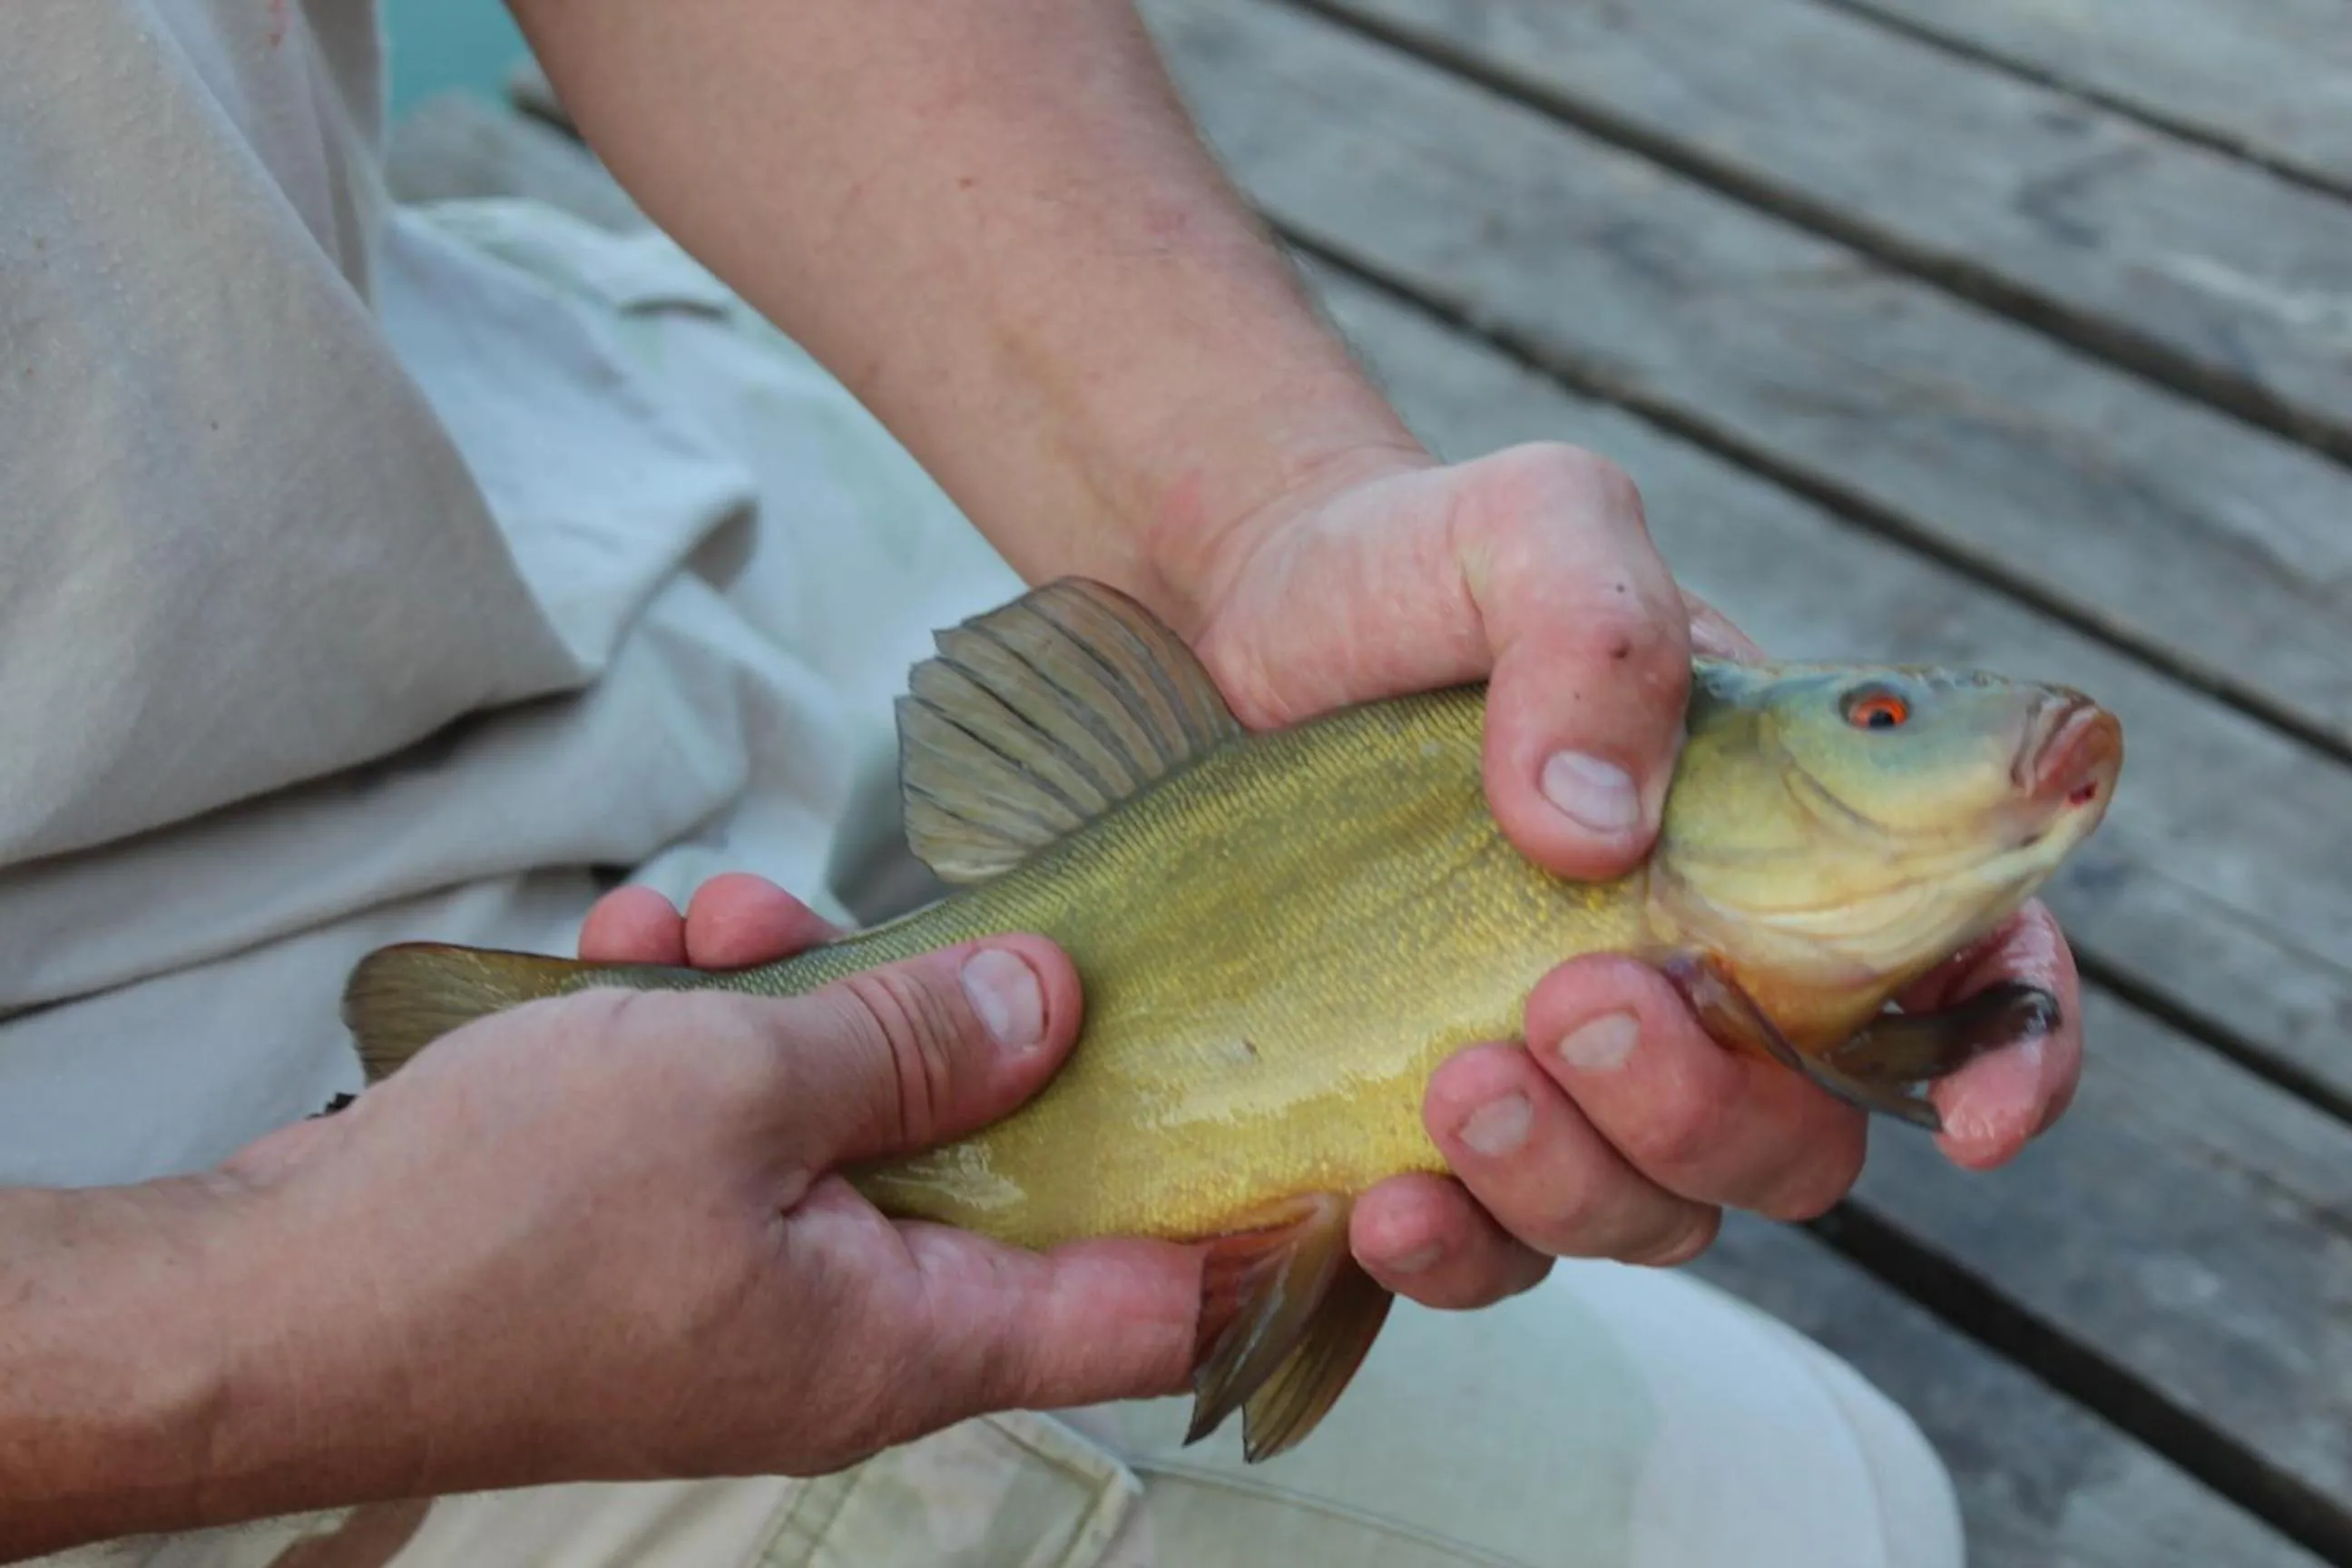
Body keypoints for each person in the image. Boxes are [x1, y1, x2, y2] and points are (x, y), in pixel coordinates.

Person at [0, 2, 2083, 1563]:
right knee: (1829, 1513)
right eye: (1882, 723)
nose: (1920, 731)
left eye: (1874, 716)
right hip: (145, 1232)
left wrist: (1269, 509)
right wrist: (259, 1338)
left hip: (476, 474)